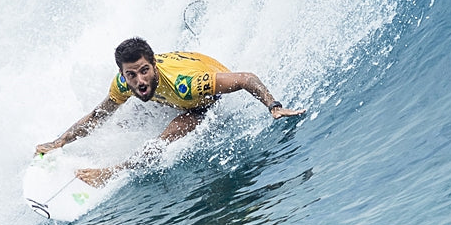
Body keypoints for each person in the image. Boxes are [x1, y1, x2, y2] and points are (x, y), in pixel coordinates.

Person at [35, 36, 305, 185]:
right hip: (175, 85)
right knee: (119, 117)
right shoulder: (124, 83)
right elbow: (98, 115)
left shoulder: (187, 86)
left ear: (153, 65)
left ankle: (108, 173)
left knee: (163, 139)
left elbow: (246, 78)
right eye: (132, 75)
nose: (139, 80)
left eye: (144, 71)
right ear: (122, 74)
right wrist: (60, 141)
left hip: (200, 102)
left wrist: (274, 106)